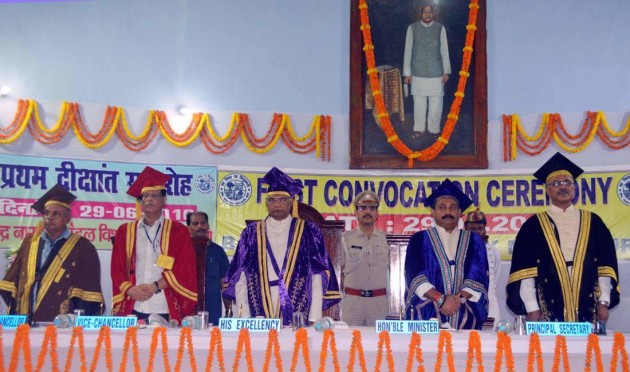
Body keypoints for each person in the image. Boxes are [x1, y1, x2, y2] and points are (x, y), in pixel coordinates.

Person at [507, 152, 620, 323]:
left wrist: (603, 301)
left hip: (588, 303)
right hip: (547, 304)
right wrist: (532, 307)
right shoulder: (532, 227)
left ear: (574, 188)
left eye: (567, 182)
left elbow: (604, 267)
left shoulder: (594, 222)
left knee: (589, 349)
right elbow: (526, 274)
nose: (563, 187)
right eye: (556, 183)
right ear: (547, 190)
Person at [224, 167, 341, 325]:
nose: (277, 204)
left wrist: (315, 317)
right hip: (259, 305)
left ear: (292, 202)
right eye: (272, 200)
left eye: (282, 200)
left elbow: (317, 276)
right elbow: (240, 277)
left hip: (297, 306)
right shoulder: (251, 233)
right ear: (266, 203)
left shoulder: (308, 231)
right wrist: (244, 317)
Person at [0, 184, 104, 322]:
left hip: (62, 325)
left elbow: (88, 289)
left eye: (56, 214)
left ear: (68, 218)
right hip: (25, 321)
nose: (49, 217)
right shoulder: (30, 242)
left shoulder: (83, 247)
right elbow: (13, 282)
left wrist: (73, 319)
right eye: (46, 213)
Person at [111, 166, 197, 322]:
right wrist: (129, 289)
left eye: (155, 196)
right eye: (145, 196)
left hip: (164, 304)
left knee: (164, 346)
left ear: (164, 200)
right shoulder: (125, 231)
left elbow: (185, 267)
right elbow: (117, 268)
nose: (149, 199)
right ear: (141, 202)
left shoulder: (178, 231)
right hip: (133, 304)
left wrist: (156, 285)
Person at [404, 179, 488, 329]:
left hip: (465, 313)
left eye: (452, 207)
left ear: (460, 212)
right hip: (428, 314)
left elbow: (478, 275)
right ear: (433, 212)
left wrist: (457, 300)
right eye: (442, 207)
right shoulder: (419, 239)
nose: (447, 212)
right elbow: (415, 277)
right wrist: (441, 299)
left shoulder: (474, 240)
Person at [340, 190, 390, 326]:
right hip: (353, 303)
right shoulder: (344, 239)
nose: (368, 212)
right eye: (362, 208)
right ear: (355, 213)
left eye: (372, 208)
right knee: (350, 344)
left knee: (380, 344)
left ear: (377, 214)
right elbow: (339, 273)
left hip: (378, 303)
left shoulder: (387, 239)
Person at [403, 3, 451, 138]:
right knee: (419, 103)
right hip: (417, 73)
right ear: (420, 14)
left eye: (430, 12)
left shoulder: (440, 28)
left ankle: (434, 130)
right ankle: (419, 129)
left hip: (437, 73)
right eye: (425, 12)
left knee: (436, 104)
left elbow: (444, 51)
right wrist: (407, 73)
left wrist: (446, 71)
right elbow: (408, 52)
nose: (427, 14)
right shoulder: (412, 28)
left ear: (433, 13)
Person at [186, 211, 229, 325]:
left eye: (203, 223)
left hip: (212, 309)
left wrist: (229, 311)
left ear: (208, 225)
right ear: (188, 227)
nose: (200, 226)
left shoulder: (217, 251)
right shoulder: (181, 250)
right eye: (195, 224)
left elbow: (224, 283)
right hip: (187, 309)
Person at [464, 207, 501, 326]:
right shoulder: (460, 251)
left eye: (479, 228)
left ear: (484, 230)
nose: (476, 232)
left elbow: (496, 278)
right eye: (472, 229)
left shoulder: (494, 252)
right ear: (465, 229)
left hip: (491, 303)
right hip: (466, 302)